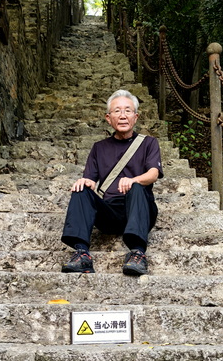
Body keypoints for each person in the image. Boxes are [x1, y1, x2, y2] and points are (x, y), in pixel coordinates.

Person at [61, 89, 163, 275]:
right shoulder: (99, 148)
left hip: (140, 210)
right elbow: (90, 180)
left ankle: (138, 253)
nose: (123, 116)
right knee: (80, 189)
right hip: (110, 213)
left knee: (137, 187)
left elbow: (153, 174)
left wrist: (133, 180)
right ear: (108, 118)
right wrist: (85, 182)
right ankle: (82, 253)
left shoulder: (149, 143)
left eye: (127, 111)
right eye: (117, 111)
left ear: (135, 117)